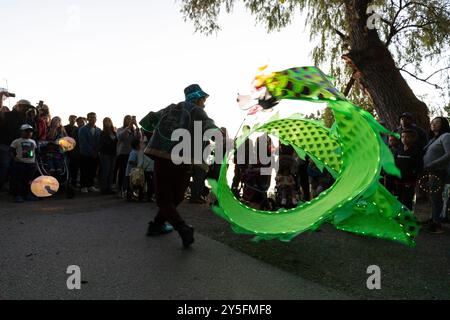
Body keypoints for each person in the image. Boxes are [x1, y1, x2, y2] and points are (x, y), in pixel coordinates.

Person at [144, 84, 218, 248]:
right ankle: (182, 228)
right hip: (183, 159)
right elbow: (210, 127)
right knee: (175, 196)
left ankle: (157, 224)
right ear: (198, 98)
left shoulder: (171, 108)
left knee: (166, 197)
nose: (204, 103)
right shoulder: (197, 111)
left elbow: (147, 121)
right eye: (203, 99)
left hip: (162, 156)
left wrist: (157, 137)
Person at [423, 116, 450, 234]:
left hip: (438, 171)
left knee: (436, 197)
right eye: (432, 122)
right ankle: (433, 219)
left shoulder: (446, 136)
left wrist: (433, 164)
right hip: (430, 172)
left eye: (437, 122)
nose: (433, 124)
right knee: (432, 197)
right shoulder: (433, 139)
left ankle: (437, 225)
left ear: (443, 124)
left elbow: (449, 154)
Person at [0, 98, 30, 193]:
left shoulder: (26, 118)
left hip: (20, 147)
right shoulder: (7, 115)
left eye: (28, 107)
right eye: (25, 107)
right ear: (18, 106)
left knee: (17, 169)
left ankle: (13, 189)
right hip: (6, 146)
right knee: (4, 168)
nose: (26, 109)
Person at [392, 129, 423, 210]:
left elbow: (419, 167)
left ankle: (407, 217)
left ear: (413, 138)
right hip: (398, 180)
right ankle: (399, 216)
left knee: (407, 200)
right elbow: (394, 164)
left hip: (409, 182)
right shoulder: (398, 150)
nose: (404, 139)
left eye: (407, 137)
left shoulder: (417, 151)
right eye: (402, 137)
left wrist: (413, 178)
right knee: (398, 199)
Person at [9, 124, 37, 203]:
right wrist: (14, 158)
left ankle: (27, 195)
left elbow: (35, 152)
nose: (29, 133)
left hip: (31, 164)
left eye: (30, 132)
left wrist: (35, 162)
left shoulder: (33, 142)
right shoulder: (17, 141)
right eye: (26, 131)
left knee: (28, 180)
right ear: (21, 132)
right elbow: (11, 151)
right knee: (19, 180)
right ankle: (18, 195)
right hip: (20, 164)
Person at [115, 115, 141, 194]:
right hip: (123, 154)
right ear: (124, 120)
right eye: (128, 119)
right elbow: (120, 137)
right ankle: (120, 189)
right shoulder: (120, 129)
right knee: (123, 172)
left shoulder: (134, 130)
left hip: (132, 154)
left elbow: (139, 137)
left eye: (131, 119)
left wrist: (136, 125)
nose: (130, 121)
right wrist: (129, 126)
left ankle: (130, 190)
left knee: (132, 172)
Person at [78, 112, 101, 194]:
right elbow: (83, 142)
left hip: (95, 154)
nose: (92, 119)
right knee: (84, 170)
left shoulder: (98, 130)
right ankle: (83, 186)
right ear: (87, 119)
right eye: (90, 117)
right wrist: (92, 152)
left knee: (93, 170)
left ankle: (90, 185)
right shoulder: (82, 129)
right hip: (85, 153)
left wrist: (96, 151)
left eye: (94, 117)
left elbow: (99, 143)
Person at [98, 117, 118, 195]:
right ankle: (104, 189)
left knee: (111, 172)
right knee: (105, 171)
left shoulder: (114, 132)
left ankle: (109, 188)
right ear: (104, 123)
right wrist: (112, 142)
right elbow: (102, 144)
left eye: (109, 121)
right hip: (105, 154)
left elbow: (117, 142)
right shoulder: (102, 133)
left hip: (113, 154)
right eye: (105, 121)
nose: (107, 123)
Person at [68, 117, 85, 189]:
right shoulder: (75, 130)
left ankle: (80, 183)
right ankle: (74, 184)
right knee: (74, 170)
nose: (81, 123)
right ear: (77, 123)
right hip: (76, 153)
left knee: (82, 170)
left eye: (83, 122)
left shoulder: (84, 130)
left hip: (83, 153)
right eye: (80, 122)